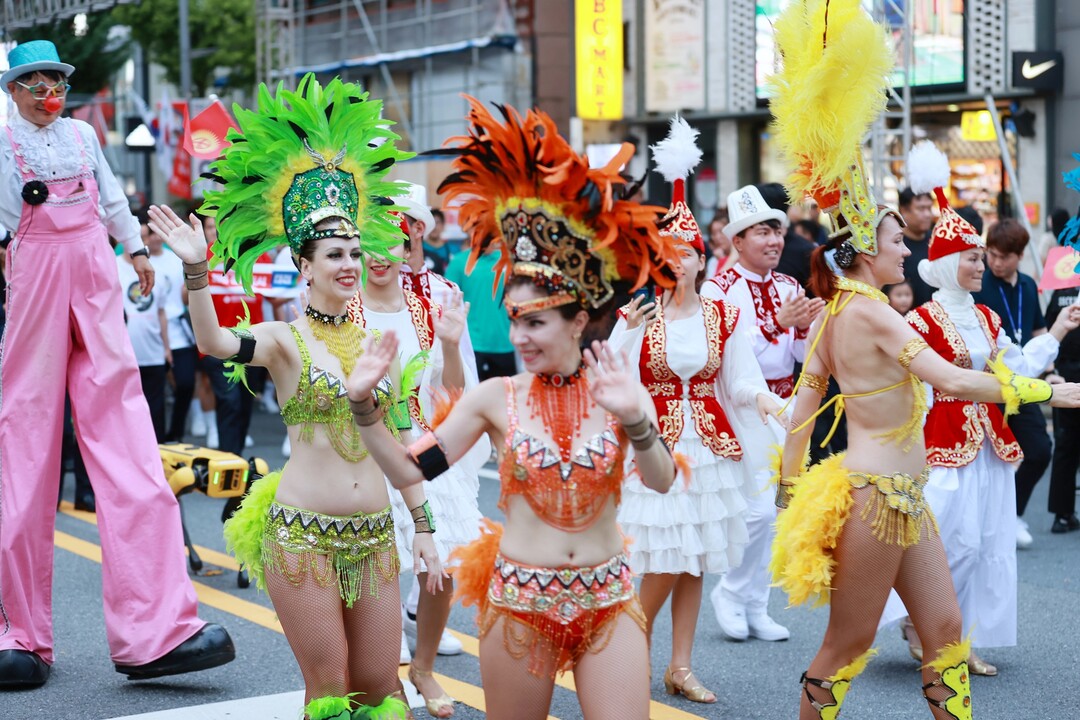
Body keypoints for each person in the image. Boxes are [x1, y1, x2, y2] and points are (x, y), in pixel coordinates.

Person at [764, 4, 1080, 717]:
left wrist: (788, 484)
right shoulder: (872, 311)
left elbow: (805, 404)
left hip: (904, 494)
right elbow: (950, 378)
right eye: (895, 240)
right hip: (878, 497)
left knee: (945, 632)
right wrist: (1044, 394)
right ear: (865, 251)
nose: (905, 247)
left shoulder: (837, 312)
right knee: (847, 644)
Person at [346, 97, 680, 720]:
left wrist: (636, 419)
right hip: (521, 603)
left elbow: (661, 480)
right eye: (515, 320)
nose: (520, 336)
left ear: (577, 321)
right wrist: (364, 408)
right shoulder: (494, 399)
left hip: (608, 599)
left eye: (536, 322)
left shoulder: (617, 387)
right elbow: (413, 469)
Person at [152, 75, 424, 719]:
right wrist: (196, 269)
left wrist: (426, 527)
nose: (350, 264)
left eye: (354, 251)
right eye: (334, 255)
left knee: (382, 689)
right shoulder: (283, 340)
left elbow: (405, 442)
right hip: (302, 536)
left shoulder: (379, 344)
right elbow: (214, 342)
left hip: (375, 535)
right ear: (305, 266)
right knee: (330, 690)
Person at [0, 39, 233, 689]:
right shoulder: (2, 143)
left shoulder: (82, 135)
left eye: (54, 81)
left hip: (95, 272)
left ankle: (158, 630)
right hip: (33, 276)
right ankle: (17, 634)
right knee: (24, 446)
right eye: (34, 83)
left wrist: (134, 249)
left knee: (129, 439)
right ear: (13, 90)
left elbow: (109, 198)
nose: (47, 93)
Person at [878, 141, 1078, 677]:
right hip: (939, 445)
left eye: (979, 256)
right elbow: (907, 388)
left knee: (988, 542)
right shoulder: (919, 321)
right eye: (971, 257)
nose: (980, 264)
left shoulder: (987, 318)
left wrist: (1058, 330)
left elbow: (1014, 369)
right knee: (948, 541)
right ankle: (925, 626)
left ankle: (958, 638)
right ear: (946, 264)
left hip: (989, 443)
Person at [608, 118, 783, 704]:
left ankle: (679, 666)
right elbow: (613, 374)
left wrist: (769, 402)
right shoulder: (639, 314)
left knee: (695, 560)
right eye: (669, 253)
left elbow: (742, 377)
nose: (679, 261)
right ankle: (620, 654)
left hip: (709, 448)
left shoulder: (722, 314)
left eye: (688, 253)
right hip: (656, 450)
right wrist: (625, 338)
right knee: (662, 560)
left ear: (702, 260)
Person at [346, 235, 485, 716]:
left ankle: (422, 668)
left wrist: (449, 345)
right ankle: (377, 677)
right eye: (368, 244)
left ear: (408, 252)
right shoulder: (343, 308)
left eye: (392, 244)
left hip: (423, 446)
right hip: (362, 447)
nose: (378, 256)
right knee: (374, 569)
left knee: (440, 566)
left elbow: (451, 392)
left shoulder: (428, 308)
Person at [701, 183, 824, 644]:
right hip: (742, 409)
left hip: (785, 406)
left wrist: (807, 328)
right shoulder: (717, 289)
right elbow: (729, 358)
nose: (774, 241)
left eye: (777, 231)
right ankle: (731, 594)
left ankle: (756, 603)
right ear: (737, 241)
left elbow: (798, 355)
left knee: (779, 511)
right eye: (762, 233)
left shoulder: (789, 285)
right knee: (754, 512)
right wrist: (780, 324)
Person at [972, 219, 1053, 548]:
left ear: (1020, 255)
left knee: (1040, 451)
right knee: (988, 460)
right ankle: (986, 522)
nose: (995, 262)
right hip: (987, 383)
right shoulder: (979, 284)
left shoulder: (1029, 285)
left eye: (1004, 256)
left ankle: (1012, 514)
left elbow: (1037, 330)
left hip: (1023, 382)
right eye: (991, 254)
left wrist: (1050, 371)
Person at [118, 223, 171, 441]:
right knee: (125, 411)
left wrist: (167, 348)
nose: (137, 241)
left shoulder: (155, 269)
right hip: (123, 355)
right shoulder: (112, 267)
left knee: (155, 409)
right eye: (133, 236)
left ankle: (157, 453)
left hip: (153, 353)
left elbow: (161, 312)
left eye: (142, 237)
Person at [446, 241, 516, 381]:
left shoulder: (510, 260)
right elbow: (448, 300)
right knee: (472, 392)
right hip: (472, 344)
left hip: (505, 342)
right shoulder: (459, 262)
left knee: (507, 393)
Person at [1045, 284, 1080, 533]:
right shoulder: (1062, 291)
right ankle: (1062, 513)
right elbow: (1049, 329)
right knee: (1066, 443)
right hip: (1065, 375)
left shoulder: (1062, 289)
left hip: (1065, 371)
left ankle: (1062, 514)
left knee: (1065, 444)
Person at [899, 186, 936, 307]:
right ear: (904, 210)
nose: (927, 214)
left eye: (929, 208)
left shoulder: (937, 241)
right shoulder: (895, 245)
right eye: (921, 209)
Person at [705, 208, 732, 277]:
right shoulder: (713, 261)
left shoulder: (743, 259)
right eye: (714, 233)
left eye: (721, 231)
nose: (717, 237)